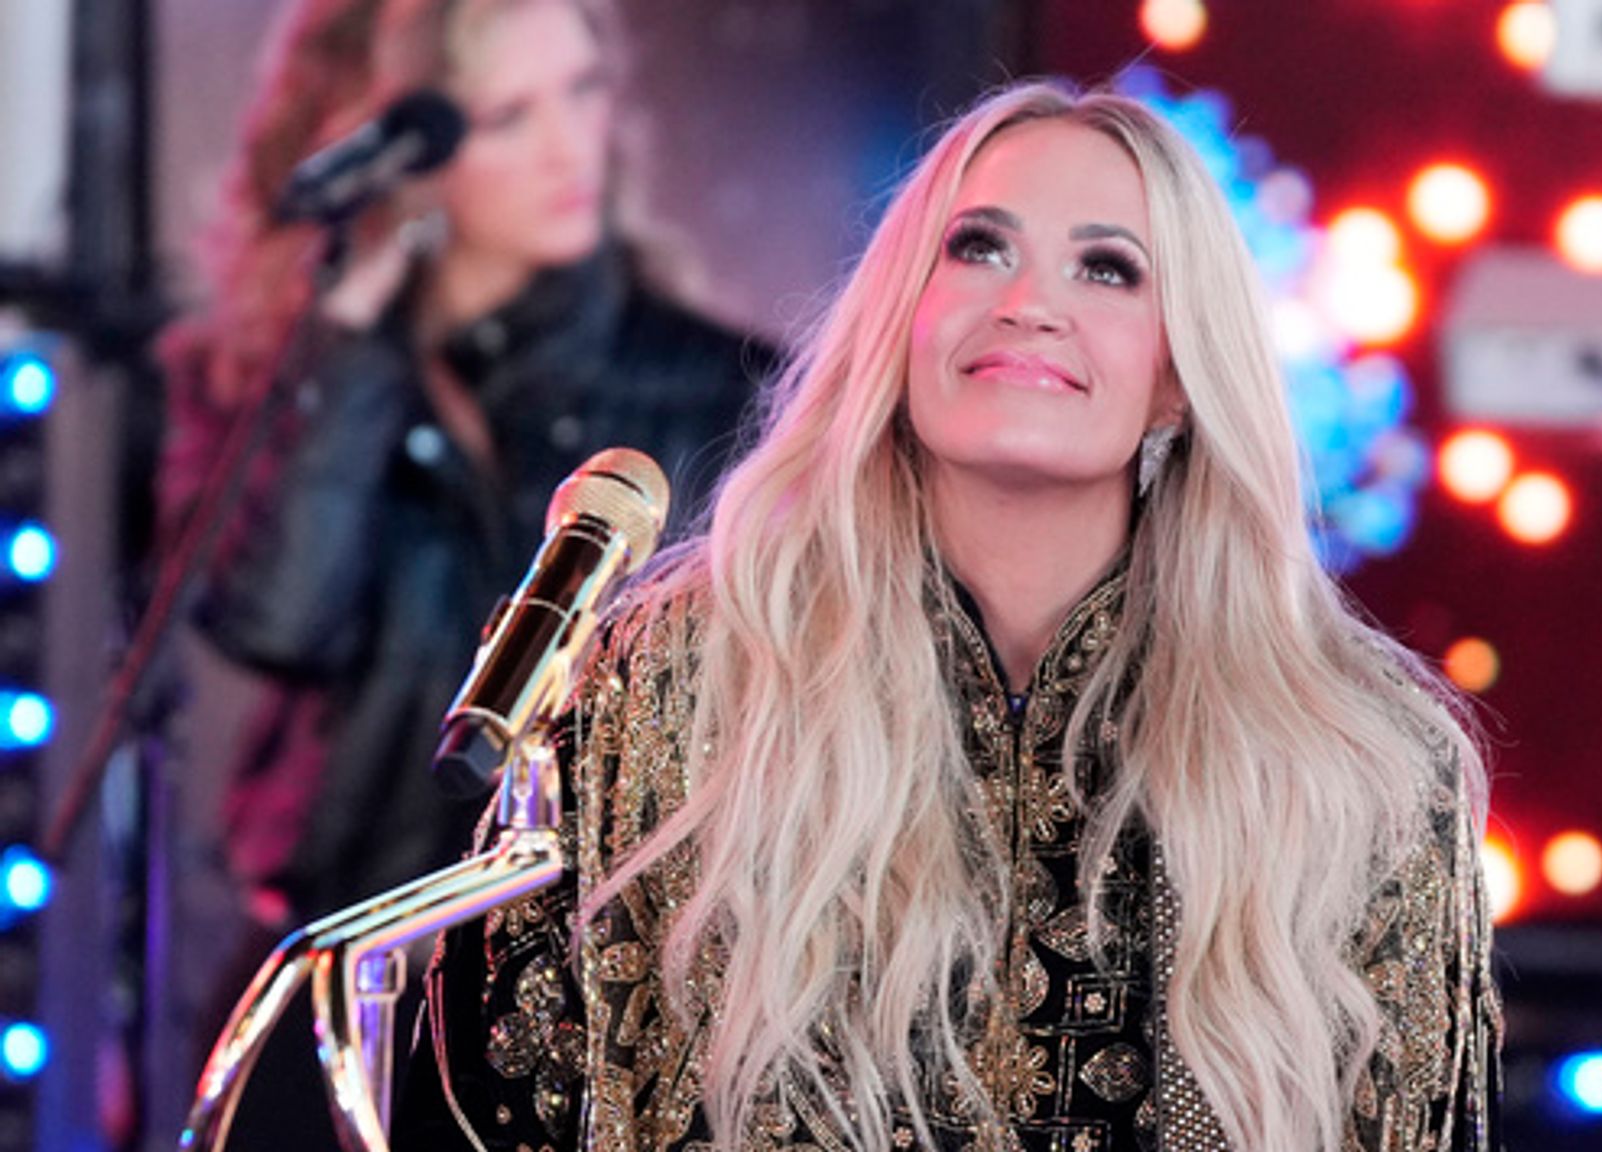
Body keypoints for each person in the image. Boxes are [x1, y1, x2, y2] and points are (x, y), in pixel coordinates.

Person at [397, 80, 1500, 1152]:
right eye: (978, 248)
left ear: (1177, 374)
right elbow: (487, 1103)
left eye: (1108, 270)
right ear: (900, 320)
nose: (1028, 301)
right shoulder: (671, 682)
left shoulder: (1365, 765)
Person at [153, 0, 759, 1144]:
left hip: (579, 982)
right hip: (345, 947)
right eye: (506, 114)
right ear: (404, 151)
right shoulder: (284, 375)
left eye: (581, 92)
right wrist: (345, 337)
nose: (567, 143)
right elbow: (280, 618)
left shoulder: (709, 385)